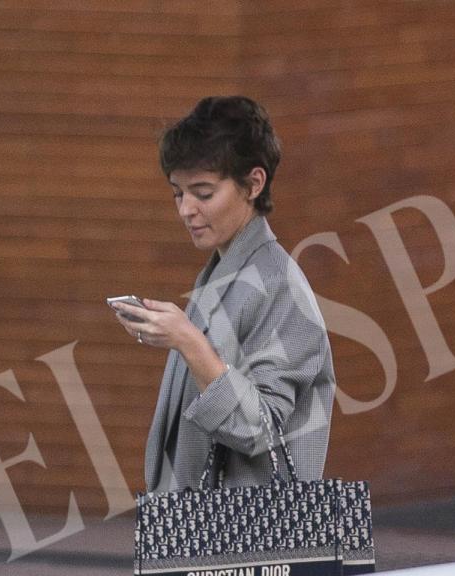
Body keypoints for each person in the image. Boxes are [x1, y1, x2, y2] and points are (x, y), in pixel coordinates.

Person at [111, 96, 336, 491]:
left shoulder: (277, 284)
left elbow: (260, 428)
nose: (186, 210)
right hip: (206, 522)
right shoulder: (223, 272)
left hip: (249, 527)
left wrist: (189, 341)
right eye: (178, 193)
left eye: (203, 193)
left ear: (254, 184)